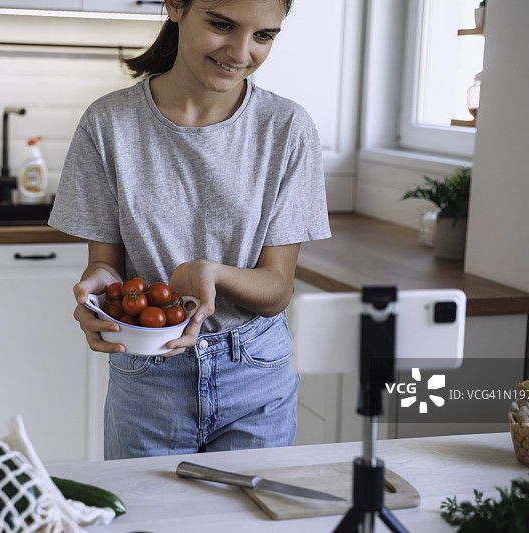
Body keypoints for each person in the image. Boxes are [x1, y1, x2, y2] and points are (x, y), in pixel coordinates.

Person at [48, 0, 330, 460]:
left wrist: (211, 272)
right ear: (176, 5)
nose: (240, 52)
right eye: (222, 25)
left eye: (264, 35)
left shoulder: (287, 128)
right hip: (149, 373)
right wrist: (100, 291)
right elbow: (105, 265)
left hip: (255, 377)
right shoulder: (108, 123)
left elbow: (277, 290)